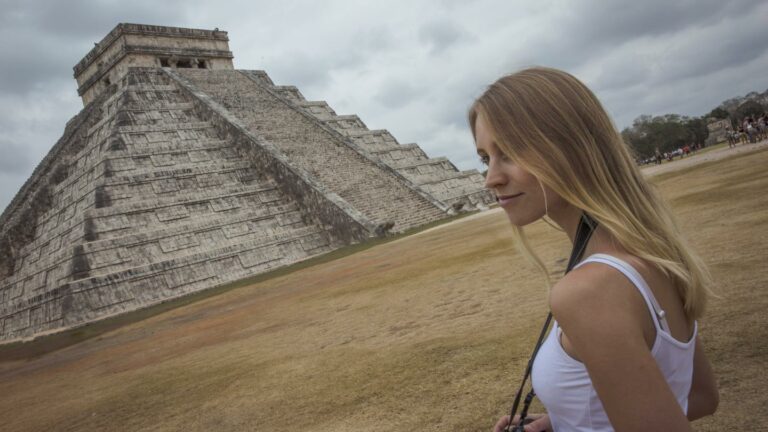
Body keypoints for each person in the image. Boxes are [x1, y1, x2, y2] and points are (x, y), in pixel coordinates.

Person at [469, 67, 719, 432]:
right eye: (484, 158)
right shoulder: (654, 253)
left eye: (510, 152)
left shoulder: (588, 291)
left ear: (570, 148)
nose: (491, 177)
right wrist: (566, 421)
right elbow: (698, 398)